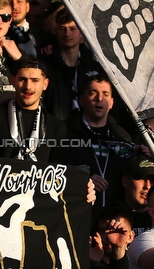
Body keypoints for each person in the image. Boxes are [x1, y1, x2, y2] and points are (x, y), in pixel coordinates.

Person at [55, 75, 133, 209]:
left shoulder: (121, 136)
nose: (100, 99)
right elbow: (54, 170)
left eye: (105, 94)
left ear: (112, 102)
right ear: (82, 100)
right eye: (93, 93)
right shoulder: (64, 132)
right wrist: (82, 179)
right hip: (75, 211)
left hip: (112, 216)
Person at [0, 58, 67, 163]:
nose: (28, 86)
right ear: (13, 81)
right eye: (23, 79)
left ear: (45, 84)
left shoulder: (56, 127)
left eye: (35, 80)